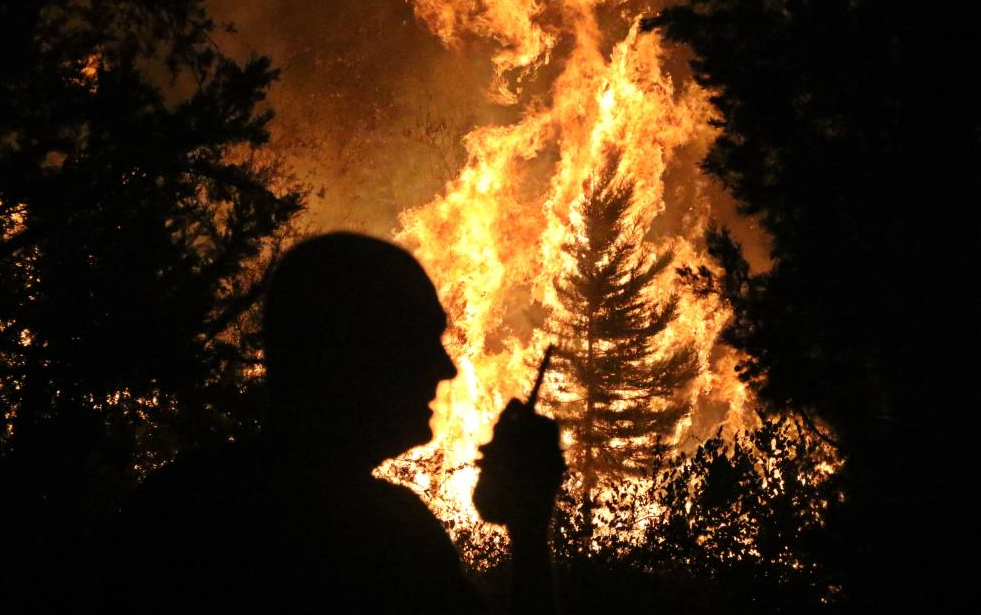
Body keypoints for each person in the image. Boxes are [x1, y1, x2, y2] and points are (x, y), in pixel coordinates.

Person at [107, 232, 565, 614]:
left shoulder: (181, 502)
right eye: (419, 339)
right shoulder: (384, 535)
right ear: (352, 353)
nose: (445, 368)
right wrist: (528, 528)